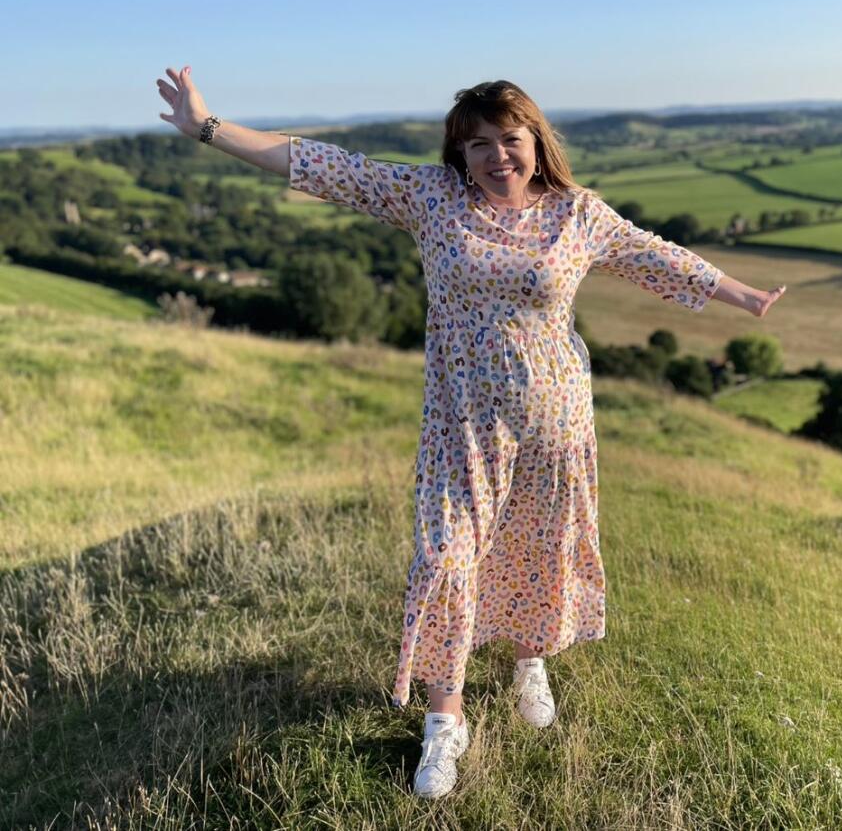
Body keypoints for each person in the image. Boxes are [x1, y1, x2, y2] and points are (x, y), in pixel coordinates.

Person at [156, 65, 787, 798]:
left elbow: (656, 256)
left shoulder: (577, 214)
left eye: (509, 139)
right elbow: (318, 164)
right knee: (447, 560)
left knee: (538, 546)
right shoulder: (431, 200)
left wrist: (744, 296)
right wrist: (208, 126)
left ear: (535, 141)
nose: (496, 156)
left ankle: (529, 659)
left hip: (556, 418)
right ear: (458, 154)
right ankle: (443, 722)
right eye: (477, 144)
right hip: (462, 423)